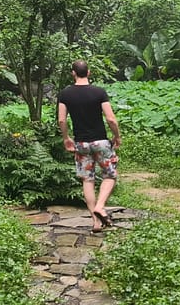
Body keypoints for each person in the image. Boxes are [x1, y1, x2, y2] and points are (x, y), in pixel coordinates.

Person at [57, 59, 121, 233]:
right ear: (89, 72)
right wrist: (117, 136)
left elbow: (62, 119)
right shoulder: (98, 92)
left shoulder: (66, 94)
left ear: (73, 73)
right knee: (110, 175)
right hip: (100, 142)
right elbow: (110, 119)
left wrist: (66, 138)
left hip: (81, 143)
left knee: (88, 180)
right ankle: (100, 206)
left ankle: (96, 223)